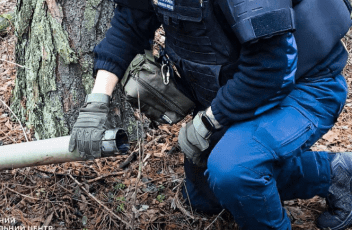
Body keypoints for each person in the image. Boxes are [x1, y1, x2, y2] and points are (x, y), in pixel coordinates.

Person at [68, 0, 352, 229]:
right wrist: (96, 102)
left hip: (305, 86)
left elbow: (273, 64)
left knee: (233, 171)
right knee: (205, 196)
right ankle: (334, 174)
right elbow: (128, 25)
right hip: (238, 91)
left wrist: (209, 120)